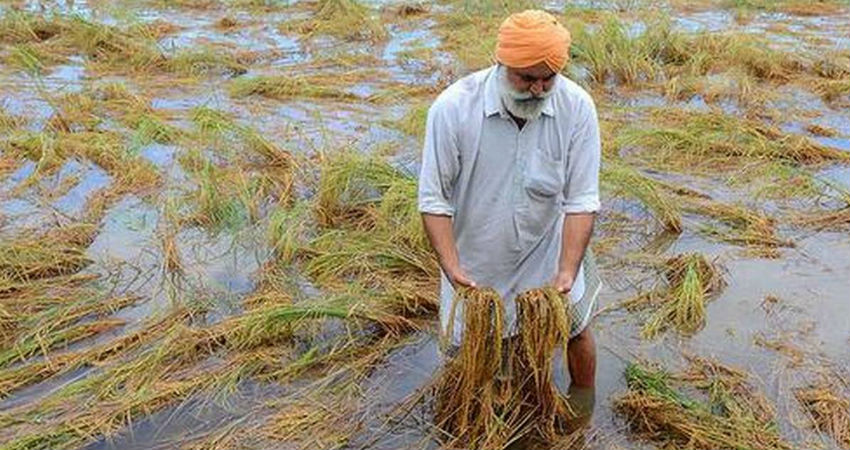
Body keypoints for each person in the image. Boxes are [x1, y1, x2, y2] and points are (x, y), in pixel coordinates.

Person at [417, 9, 601, 389]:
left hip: (551, 254)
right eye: (527, 78)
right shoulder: (453, 110)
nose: (537, 89)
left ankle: (583, 409)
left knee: (577, 331)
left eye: (548, 79)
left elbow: (581, 200)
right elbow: (434, 201)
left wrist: (567, 270)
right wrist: (453, 270)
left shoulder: (577, 108)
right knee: (466, 357)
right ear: (500, 63)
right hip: (475, 264)